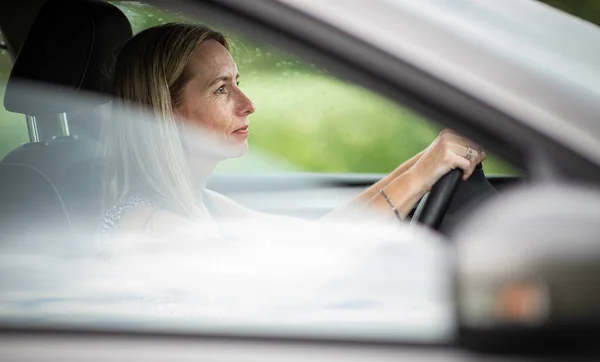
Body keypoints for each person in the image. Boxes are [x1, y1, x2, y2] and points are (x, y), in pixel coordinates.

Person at [99, 23, 485, 246]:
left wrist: (428, 161)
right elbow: (312, 263)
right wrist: (420, 176)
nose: (247, 103)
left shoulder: (202, 206)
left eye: (238, 82)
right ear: (165, 113)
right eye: (221, 89)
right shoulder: (153, 230)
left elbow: (315, 238)